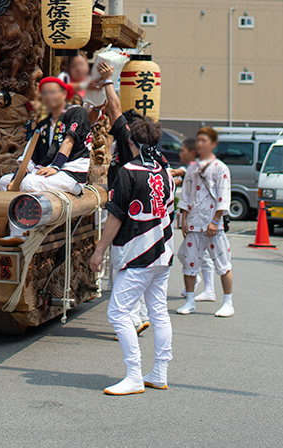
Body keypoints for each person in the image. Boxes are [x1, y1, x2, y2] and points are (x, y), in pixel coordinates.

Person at [89, 115, 174, 395]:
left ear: (130, 141)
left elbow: (116, 214)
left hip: (137, 251)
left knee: (118, 312)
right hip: (162, 249)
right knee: (158, 311)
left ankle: (134, 375)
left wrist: (99, 250)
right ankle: (159, 372)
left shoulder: (128, 170)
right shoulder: (165, 172)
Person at [86, 61, 150, 336]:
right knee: (138, 273)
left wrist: (109, 81)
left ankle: (130, 321)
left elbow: (115, 111)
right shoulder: (152, 155)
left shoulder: (128, 144)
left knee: (122, 271)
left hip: (127, 219)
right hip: (148, 224)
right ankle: (141, 316)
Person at [0, 77, 92, 243]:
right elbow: (31, 156)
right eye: (44, 93)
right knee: (5, 182)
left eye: (52, 92)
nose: (48, 96)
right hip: (46, 172)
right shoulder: (44, 122)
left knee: (29, 184)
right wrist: (15, 179)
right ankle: (18, 234)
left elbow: (69, 142)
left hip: (71, 174)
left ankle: (32, 230)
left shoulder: (77, 112)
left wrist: (55, 166)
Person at [177, 126, 234, 317]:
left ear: (213, 144)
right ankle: (190, 300)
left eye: (205, 141)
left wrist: (216, 220)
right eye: (199, 140)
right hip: (194, 222)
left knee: (222, 263)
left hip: (212, 225)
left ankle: (228, 301)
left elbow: (223, 196)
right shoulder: (192, 168)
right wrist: (184, 218)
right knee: (190, 263)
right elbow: (185, 194)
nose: (201, 144)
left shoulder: (221, 169)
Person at [171, 139, 216, 302]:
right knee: (185, 253)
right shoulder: (193, 168)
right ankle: (197, 280)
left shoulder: (202, 168)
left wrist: (216, 220)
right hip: (194, 218)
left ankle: (209, 289)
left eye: (183, 150)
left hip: (206, 219)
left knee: (205, 255)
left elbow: (181, 172)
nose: (179, 153)